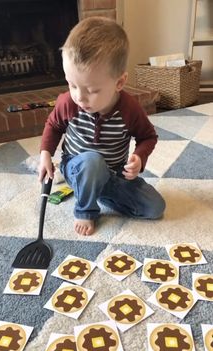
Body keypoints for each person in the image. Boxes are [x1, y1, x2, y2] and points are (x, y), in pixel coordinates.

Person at [38, 16, 165, 236]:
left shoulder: (130, 109)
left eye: (92, 90)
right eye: (72, 84)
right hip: (76, 167)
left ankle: (97, 191)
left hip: (113, 173)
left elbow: (148, 137)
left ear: (120, 83)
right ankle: (85, 209)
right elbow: (53, 125)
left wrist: (139, 157)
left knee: (155, 207)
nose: (79, 96)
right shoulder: (68, 102)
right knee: (92, 161)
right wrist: (45, 154)